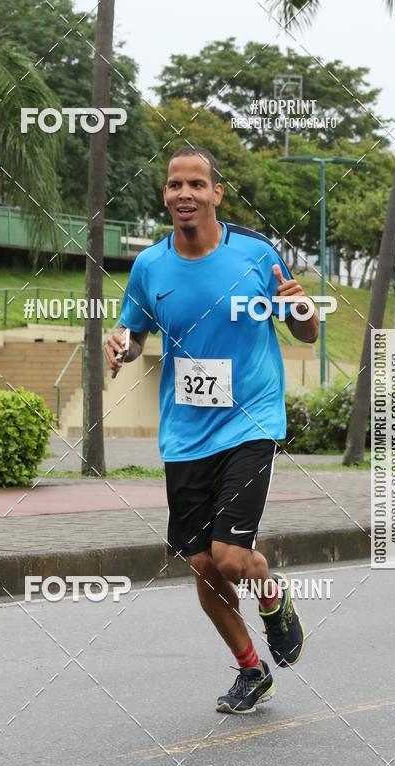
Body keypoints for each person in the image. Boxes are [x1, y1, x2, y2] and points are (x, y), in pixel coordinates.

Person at [104, 146, 319, 714]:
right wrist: (124, 346)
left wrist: (302, 309)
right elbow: (135, 333)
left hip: (251, 419)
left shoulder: (255, 256)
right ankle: (252, 671)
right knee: (201, 563)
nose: (184, 194)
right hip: (186, 433)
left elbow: (308, 334)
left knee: (228, 556)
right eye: (175, 185)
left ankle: (271, 597)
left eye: (196, 184)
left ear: (216, 194)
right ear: (166, 194)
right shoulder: (151, 266)